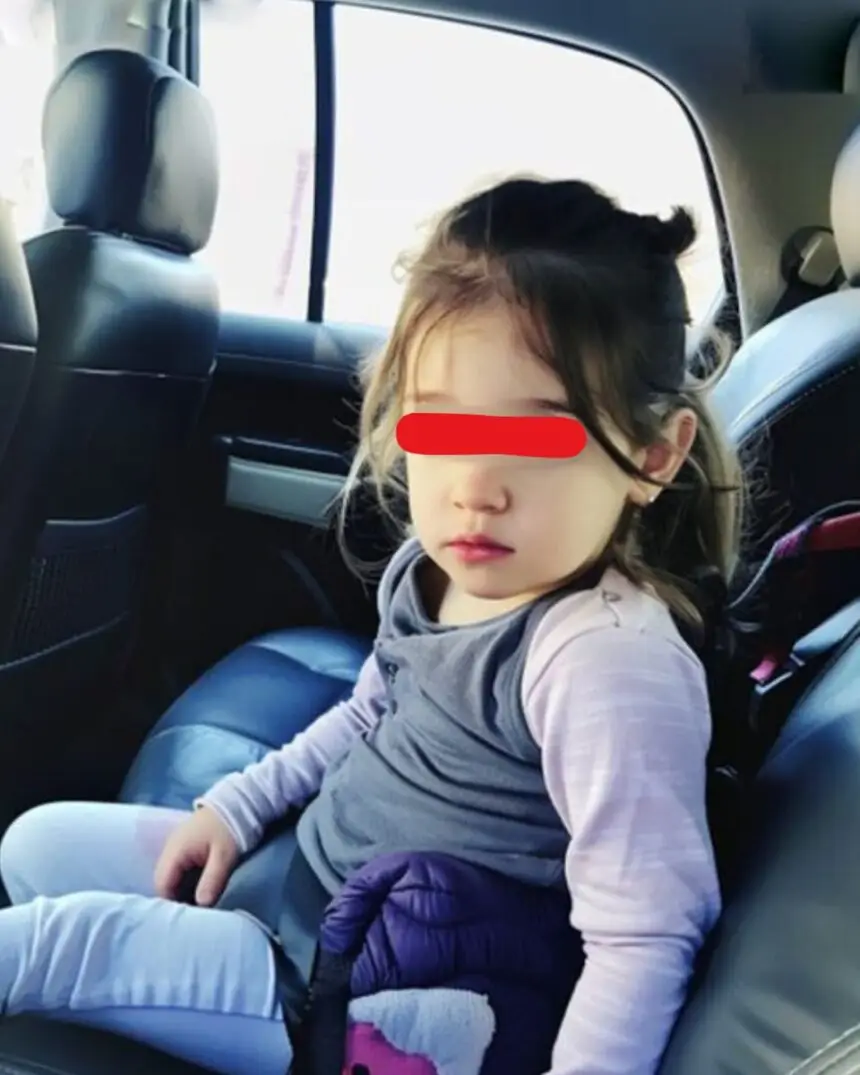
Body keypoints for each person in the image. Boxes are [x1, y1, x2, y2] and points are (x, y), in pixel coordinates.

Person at [0, 176, 744, 1075]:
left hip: (372, 990)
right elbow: (368, 713)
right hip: (318, 883)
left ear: (653, 458)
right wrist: (237, 809)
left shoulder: (604, 660)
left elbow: (646, 934)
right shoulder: (439, 569)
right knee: (33, 843)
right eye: (441, 425)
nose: (476, 485)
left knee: (40, 947)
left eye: (540, 437)